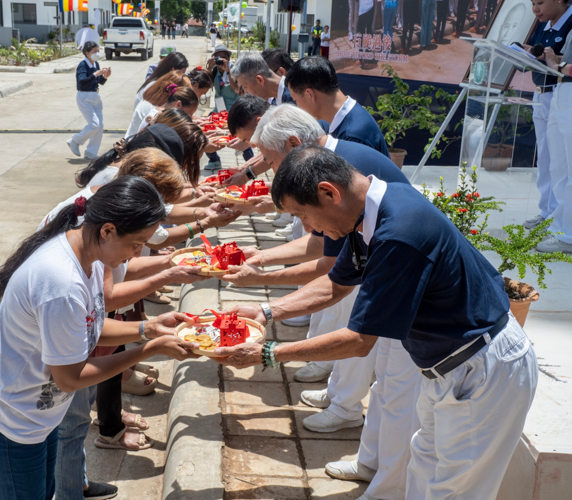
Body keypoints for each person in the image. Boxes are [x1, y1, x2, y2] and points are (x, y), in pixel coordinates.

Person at [215, 144, 539, 500]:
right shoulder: (368, 212)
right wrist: (265, 312)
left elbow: (359, 340)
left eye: (303, 215)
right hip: (448, 366)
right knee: (423, 469)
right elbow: (336, 283)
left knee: (453, 490)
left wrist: (269, 353)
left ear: (329, 192)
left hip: (482, 368)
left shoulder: (398, 231)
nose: (309, 228)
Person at [0, 175, 200, 499]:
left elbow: (87, 327)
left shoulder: (88, 259)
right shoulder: (62, 283)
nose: (134, 255)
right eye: (135, 244)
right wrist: (149, 349)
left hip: (35, 416)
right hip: (7, 423)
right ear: (107, 230)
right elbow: (70, 379)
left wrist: (148, 328)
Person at [522, 0, 572, 231]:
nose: (535, 9)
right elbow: (537, 51)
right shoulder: (543, 24)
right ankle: (547, 211)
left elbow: (564, 62)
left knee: (561, 161)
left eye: (540, 2)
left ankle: (560, 219)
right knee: (546, 158)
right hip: (542, 92)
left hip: (561, 93)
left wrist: (554, 62)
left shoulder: (569, 21)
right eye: (532, 3)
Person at [285, 56, 389, 156]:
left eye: (296, 100)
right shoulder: (344, 119)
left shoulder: (353, 137)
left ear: (310, 94)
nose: (298, 107)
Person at [537, 28, 572, 254]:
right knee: (559, 169)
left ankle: (567, 236)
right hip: (562, 89)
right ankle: (560, 226)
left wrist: (557, 66)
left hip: (566, 86)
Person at [67, 41, 111, 161]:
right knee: (94, 124)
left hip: (95, 96)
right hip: (85, 97)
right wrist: (96, 74)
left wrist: (105, 77)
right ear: (87, 53)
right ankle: (75, 141)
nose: (97, 53)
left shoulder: (95, 64)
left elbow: (98, 82)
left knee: (100, 125)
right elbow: (82, 81)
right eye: (94, 51)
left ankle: (91, 152)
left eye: (98, 51)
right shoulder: (83, 65)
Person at [204, 44, 241, 170]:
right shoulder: (214, 70)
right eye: (218, 57)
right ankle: (214, 160)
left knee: (242, 134)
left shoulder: (234, 70)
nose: (221, 60)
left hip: (234, 108)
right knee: (205, 130)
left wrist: (228, 71)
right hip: (219, 108)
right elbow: (206, 85)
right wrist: (209, 68)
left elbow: (236, 89)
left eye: (224, 57)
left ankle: (249, 164)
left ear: (229, 59)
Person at [125, 74, 196, 138]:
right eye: (189, 115)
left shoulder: (162, 110)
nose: (190, 118)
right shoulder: (159, 117)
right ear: (178, 104)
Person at [230, 52, 296, 105]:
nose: (246, 93)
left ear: (259, 80)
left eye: (245, 87)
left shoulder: (293, 98)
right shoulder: (275, 100)